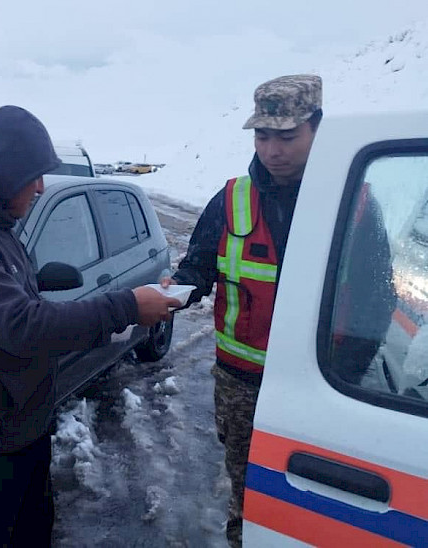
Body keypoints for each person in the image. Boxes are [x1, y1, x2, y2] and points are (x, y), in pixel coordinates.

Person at [0, 105, 180, 546]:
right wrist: (125, 306)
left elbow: (22, 298)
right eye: (32, 174)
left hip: (18, 433)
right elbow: (23, 325)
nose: (40, 186)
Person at [163, 74, 324, 547]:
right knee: (249, 497)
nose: (273, 150)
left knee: (314, 503)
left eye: (287, 136)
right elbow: (196, 269)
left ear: (317, 129)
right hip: (242, 389)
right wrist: (170, 293)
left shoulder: (347, 200)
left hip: (319, 390)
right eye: (263, 135)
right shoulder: (231, 199)